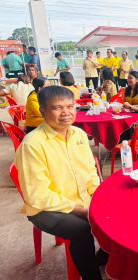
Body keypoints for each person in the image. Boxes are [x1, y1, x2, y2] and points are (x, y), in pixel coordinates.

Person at [15, 86, 104, 280]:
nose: (66, 113)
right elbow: (38, 195)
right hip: (45, 209)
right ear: (43, 112)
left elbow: (90, 171)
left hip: (81, 200)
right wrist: (83, 211)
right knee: (82, 231)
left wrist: (98, 196)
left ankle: (103, 256)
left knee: (116, 213)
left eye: (70, 106)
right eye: (57, 108)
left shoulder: (79, 135)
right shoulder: (32, 144)